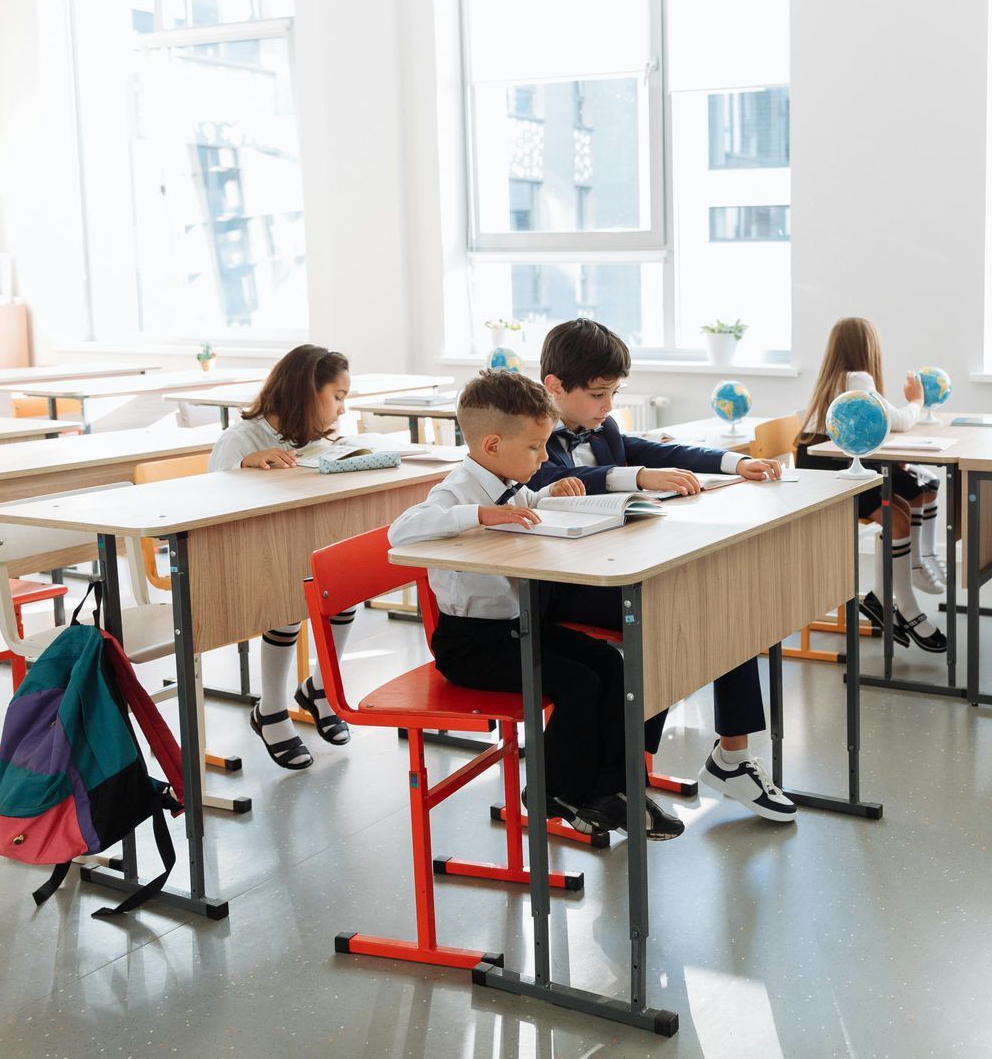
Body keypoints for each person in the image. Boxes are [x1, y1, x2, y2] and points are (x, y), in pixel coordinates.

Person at [389, 368, 682, 839]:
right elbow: (400, 531)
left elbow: (527, 510)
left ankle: (613, 790)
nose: (544, 456)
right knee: (579, 683)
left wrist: (549, 493)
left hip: (520, 628)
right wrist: (477, 514)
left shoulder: (509, 480)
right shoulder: (455, 491)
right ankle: (552, 790)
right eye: (535, 448)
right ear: (491, 446)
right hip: (472, 647)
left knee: (612, 663)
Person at [531, 318, 797, 823]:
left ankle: (731, 758)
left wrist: (730, 462)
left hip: (618, 564)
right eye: (599, 394)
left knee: (723, 605)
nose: (609, 406)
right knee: (669, 617)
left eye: (614, 393)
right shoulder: (531, 429)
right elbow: (553, 479)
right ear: (554, 387)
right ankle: (618, 777)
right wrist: (634, 476)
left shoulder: (602, 427)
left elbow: (660, 451)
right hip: (565, 586)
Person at [210, 344, 363, 770]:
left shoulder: (312, 436)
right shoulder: (241, 438)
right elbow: (206, 504)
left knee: (344, 586)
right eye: (337, 396)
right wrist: (244, 465)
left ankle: (319, 688)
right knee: (289, 597)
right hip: (244, 561)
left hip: (291, 550)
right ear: (304, 391)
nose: (342, 409)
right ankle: (271, 709)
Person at [794, 316, 947, 652]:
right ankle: (904, 603)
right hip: (831, 474)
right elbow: (901, 421)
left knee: (908, 499)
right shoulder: (857, 379)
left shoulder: (833, 379)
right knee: (898, 515)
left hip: (824, 464)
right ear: (867, 348)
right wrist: (917, 400)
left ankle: (884, 596)